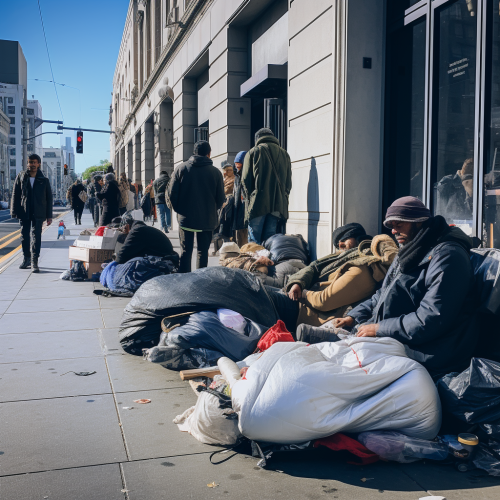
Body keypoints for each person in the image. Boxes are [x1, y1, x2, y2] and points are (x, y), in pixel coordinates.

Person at [334, 196, 477, 381]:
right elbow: (382, 294)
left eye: (399, 224)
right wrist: (353, 316)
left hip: (429, 352)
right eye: (391, 225)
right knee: (334, 355)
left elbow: (431, 319)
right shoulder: (412, 249)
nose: (394, 231)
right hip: (400, 338)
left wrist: (379, 328)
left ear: (419, 223)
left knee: (344, 374)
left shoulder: (448, 256)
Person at [263, 223, 398, 332]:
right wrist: (298, 282)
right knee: (252, 285)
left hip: (305, 313)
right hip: (301, 301)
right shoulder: (346, 257)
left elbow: (323, 301)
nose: (340, 245)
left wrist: (303, 293)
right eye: (339, 243)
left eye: (345, 240)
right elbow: (314, 266)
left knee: (250, 287)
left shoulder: (362, 268)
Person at [168, 140, 224, 273]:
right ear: (209, 154)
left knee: (186, 252)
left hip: (185, 218)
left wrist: (179, 210)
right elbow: (220, 199)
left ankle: (183, 281)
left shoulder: (181, 168)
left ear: (194, 153)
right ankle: (200, 282)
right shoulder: (216, 173)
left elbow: (171, 194)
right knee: (202, 252)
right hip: (206, 219)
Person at [242, 128, 292, 244]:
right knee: (270, 240)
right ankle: (268, 262)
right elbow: (288, 183)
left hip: (258, 203)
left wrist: (250, 198)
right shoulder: (284, 154)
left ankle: (256, 262)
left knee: (254, 242)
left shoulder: (253, 152)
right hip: (277, 205)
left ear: (257, 138)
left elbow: (245, 180)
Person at [10, 153, 53, 272]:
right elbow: (15, 194)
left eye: (34, 162)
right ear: (27, 163)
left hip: (39, 212)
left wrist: (49, 216)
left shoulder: (44, 180)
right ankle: (26, 258)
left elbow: (49, 198)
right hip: (25, 211)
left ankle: (35, 261)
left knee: (36, 236)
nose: (32, 165)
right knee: (24, 236)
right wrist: (14, 211)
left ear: (39, 164)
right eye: (30, 162)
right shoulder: (21, 176)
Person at [232, 151, 248, 247]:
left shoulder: (246, 175)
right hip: (238, 210)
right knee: (239, 238)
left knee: (245, 238)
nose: (237, 167)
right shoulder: (237, 176)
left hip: (244, 211)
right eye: (236, 165)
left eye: (239, 165)